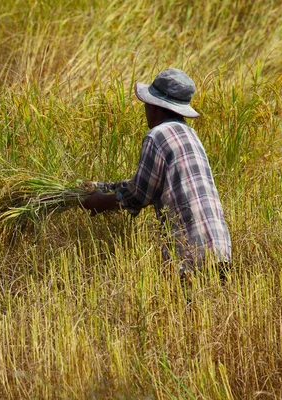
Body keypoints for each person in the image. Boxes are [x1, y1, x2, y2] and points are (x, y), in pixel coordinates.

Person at [82, 68, 231, 281]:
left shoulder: (157, 135)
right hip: (219, 248)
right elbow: (147, 184)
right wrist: (101, 186)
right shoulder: (189, 134)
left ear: (154, 107)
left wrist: (100, 202)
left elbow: (138, 196)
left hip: (190, 253)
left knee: (187, 310)